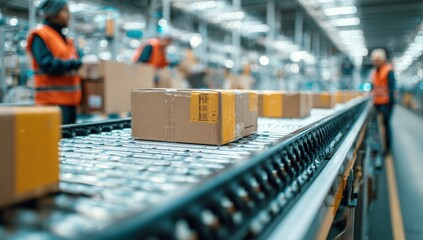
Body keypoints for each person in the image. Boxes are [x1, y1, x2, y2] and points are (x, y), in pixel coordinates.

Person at [27, 0, 82, 124]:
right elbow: (47, 64)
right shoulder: (40, 35)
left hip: (70, 103)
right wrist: (74, 64)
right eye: (65, 11)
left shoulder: (68, 41)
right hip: (51, 104)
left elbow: (78, 60)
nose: (68, 15)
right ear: (53, 13)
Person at [370, 48, 396, 155]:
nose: (376, 63)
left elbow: (391, 88)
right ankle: (376, 147)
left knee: (386, 124)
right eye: (375, 61)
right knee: (375, 125)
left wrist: (390, 104)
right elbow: (373, 87)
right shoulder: (374, 72)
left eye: (378, 60)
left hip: (386, 103)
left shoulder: (388, 70)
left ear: (383, 60)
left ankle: (387, 148)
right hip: (377, 102)